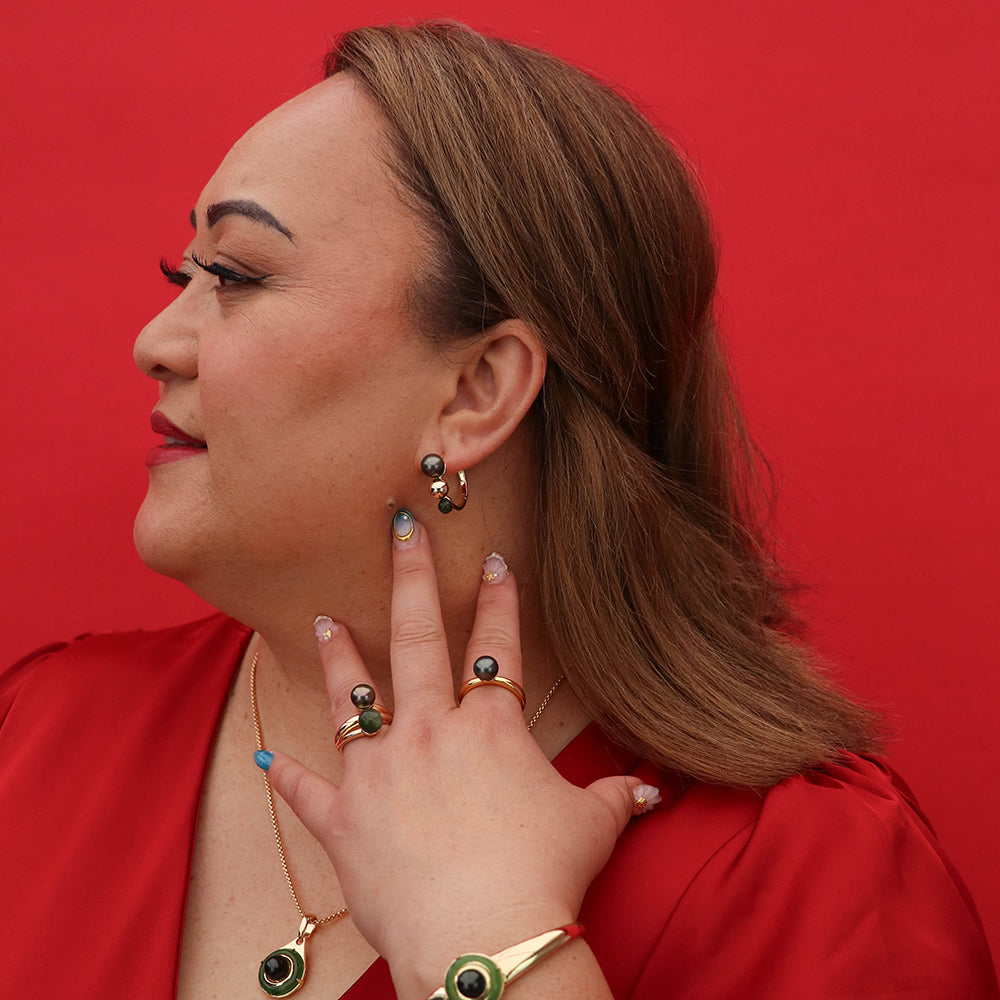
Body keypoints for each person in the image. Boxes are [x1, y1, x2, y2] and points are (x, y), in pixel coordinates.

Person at [1, 20, 996, 1000]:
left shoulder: (809, 886)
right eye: (180, 274)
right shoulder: (39, 737)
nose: (154, 340)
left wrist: (494, 948)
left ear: (479, 388)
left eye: (235, 275)